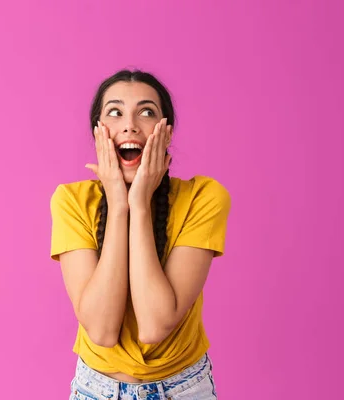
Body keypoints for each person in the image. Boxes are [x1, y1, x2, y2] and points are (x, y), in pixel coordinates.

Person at [50, 69, 231, 400]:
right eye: (115, 112)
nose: (130, 125)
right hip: (95, 390)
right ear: (97, 134)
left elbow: (154, 325)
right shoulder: (71, 201)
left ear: (167, 133)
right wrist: (118, 205)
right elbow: (103, 331)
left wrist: (140, 204)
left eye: (147, 112)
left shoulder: (204, 197)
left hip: (185, 390)